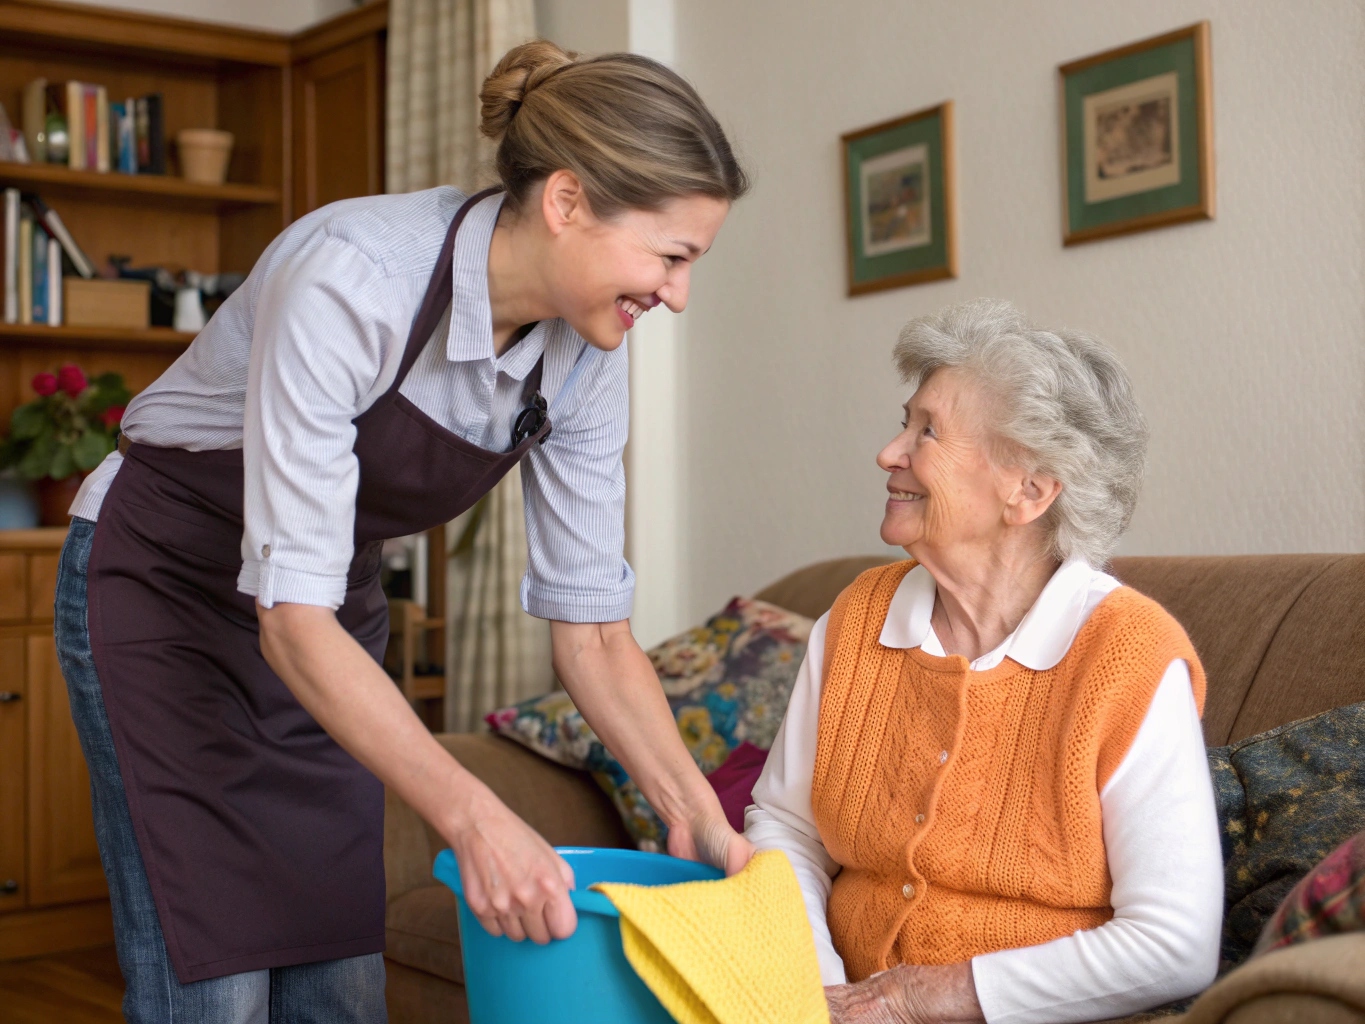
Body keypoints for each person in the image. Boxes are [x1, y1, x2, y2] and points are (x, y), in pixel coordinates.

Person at [55, 40, 751, 1023]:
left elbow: (591, 629)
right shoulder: (353, 277)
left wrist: (697, 814)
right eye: (670, 256)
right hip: (169, 596)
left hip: (326, 626)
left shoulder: (586, 355)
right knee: (212, 995)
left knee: (339, 986)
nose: (676, 294)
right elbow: (288, 620)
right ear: (566, 201)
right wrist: (474, 816)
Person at [746, 299, 1224, 1023]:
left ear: (1027, 490)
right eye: (904, 422)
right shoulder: (859, 617)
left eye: (926, 432)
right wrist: (819, 996)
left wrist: (918, 999)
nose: (888, 452)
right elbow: (785, 825)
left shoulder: (1124, 654)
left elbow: (1175, 941)